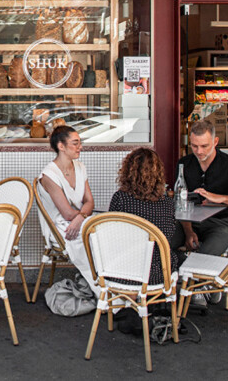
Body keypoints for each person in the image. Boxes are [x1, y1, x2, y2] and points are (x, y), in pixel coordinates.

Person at [109, 147, 179, 334]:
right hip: (157, 274)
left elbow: (112, 237)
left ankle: (130, 306)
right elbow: (170, 235)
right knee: (175, 256)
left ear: (127, 171)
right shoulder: (166, 204)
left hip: (123, 272)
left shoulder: (120, 199)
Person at [174, 119, 228, 257]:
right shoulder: (184, 164)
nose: (199, 151)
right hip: (189, 222)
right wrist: (188, 231)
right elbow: (180, 202)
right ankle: (179, 274)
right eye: (194, 146)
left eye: (204, 146)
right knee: (162, 242)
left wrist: (220, 198)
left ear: (215, 142)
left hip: (222, 223)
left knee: (206, 255)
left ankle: (196, 275)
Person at [37, 125, 97, 293]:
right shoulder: (49, 175)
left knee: (103, 232)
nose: (80, 147)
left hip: (79, 221)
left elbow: (89, 201)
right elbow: (67, 213)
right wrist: (80, 216)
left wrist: (81, 217)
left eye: (80, 143)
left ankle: (111, 285)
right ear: (61, 146)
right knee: (95, 236)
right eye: (75, 143)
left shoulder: (80, 167)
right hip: (61, 227)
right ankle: (102, 289)